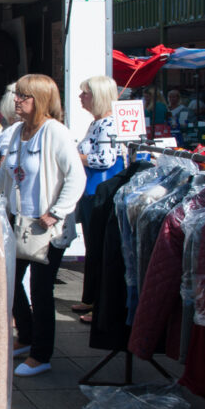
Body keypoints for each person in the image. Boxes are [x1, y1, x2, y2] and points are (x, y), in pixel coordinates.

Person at [0, 74, 85, 377]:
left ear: (40, 100)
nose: (17, 100)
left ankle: (41, 355)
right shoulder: (17, 131)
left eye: (24, 96)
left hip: (46, 227)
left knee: (41, 290)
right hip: (19, 222)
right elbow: (5, 175)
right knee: (11, 282)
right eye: (17, 95)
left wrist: (56, 212)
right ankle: (27, 337)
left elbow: (76, 177)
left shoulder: (55, 132)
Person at [71, 75, 124, 322]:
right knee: (94, 247)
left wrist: (73, 157)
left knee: (100, 248)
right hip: (92, 190)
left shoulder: (107, 124)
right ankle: (91, 298)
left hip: (100, 191)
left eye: (85, 93)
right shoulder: (97, 124)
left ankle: (99, 305)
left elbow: (104, 159)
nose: (81, 97)